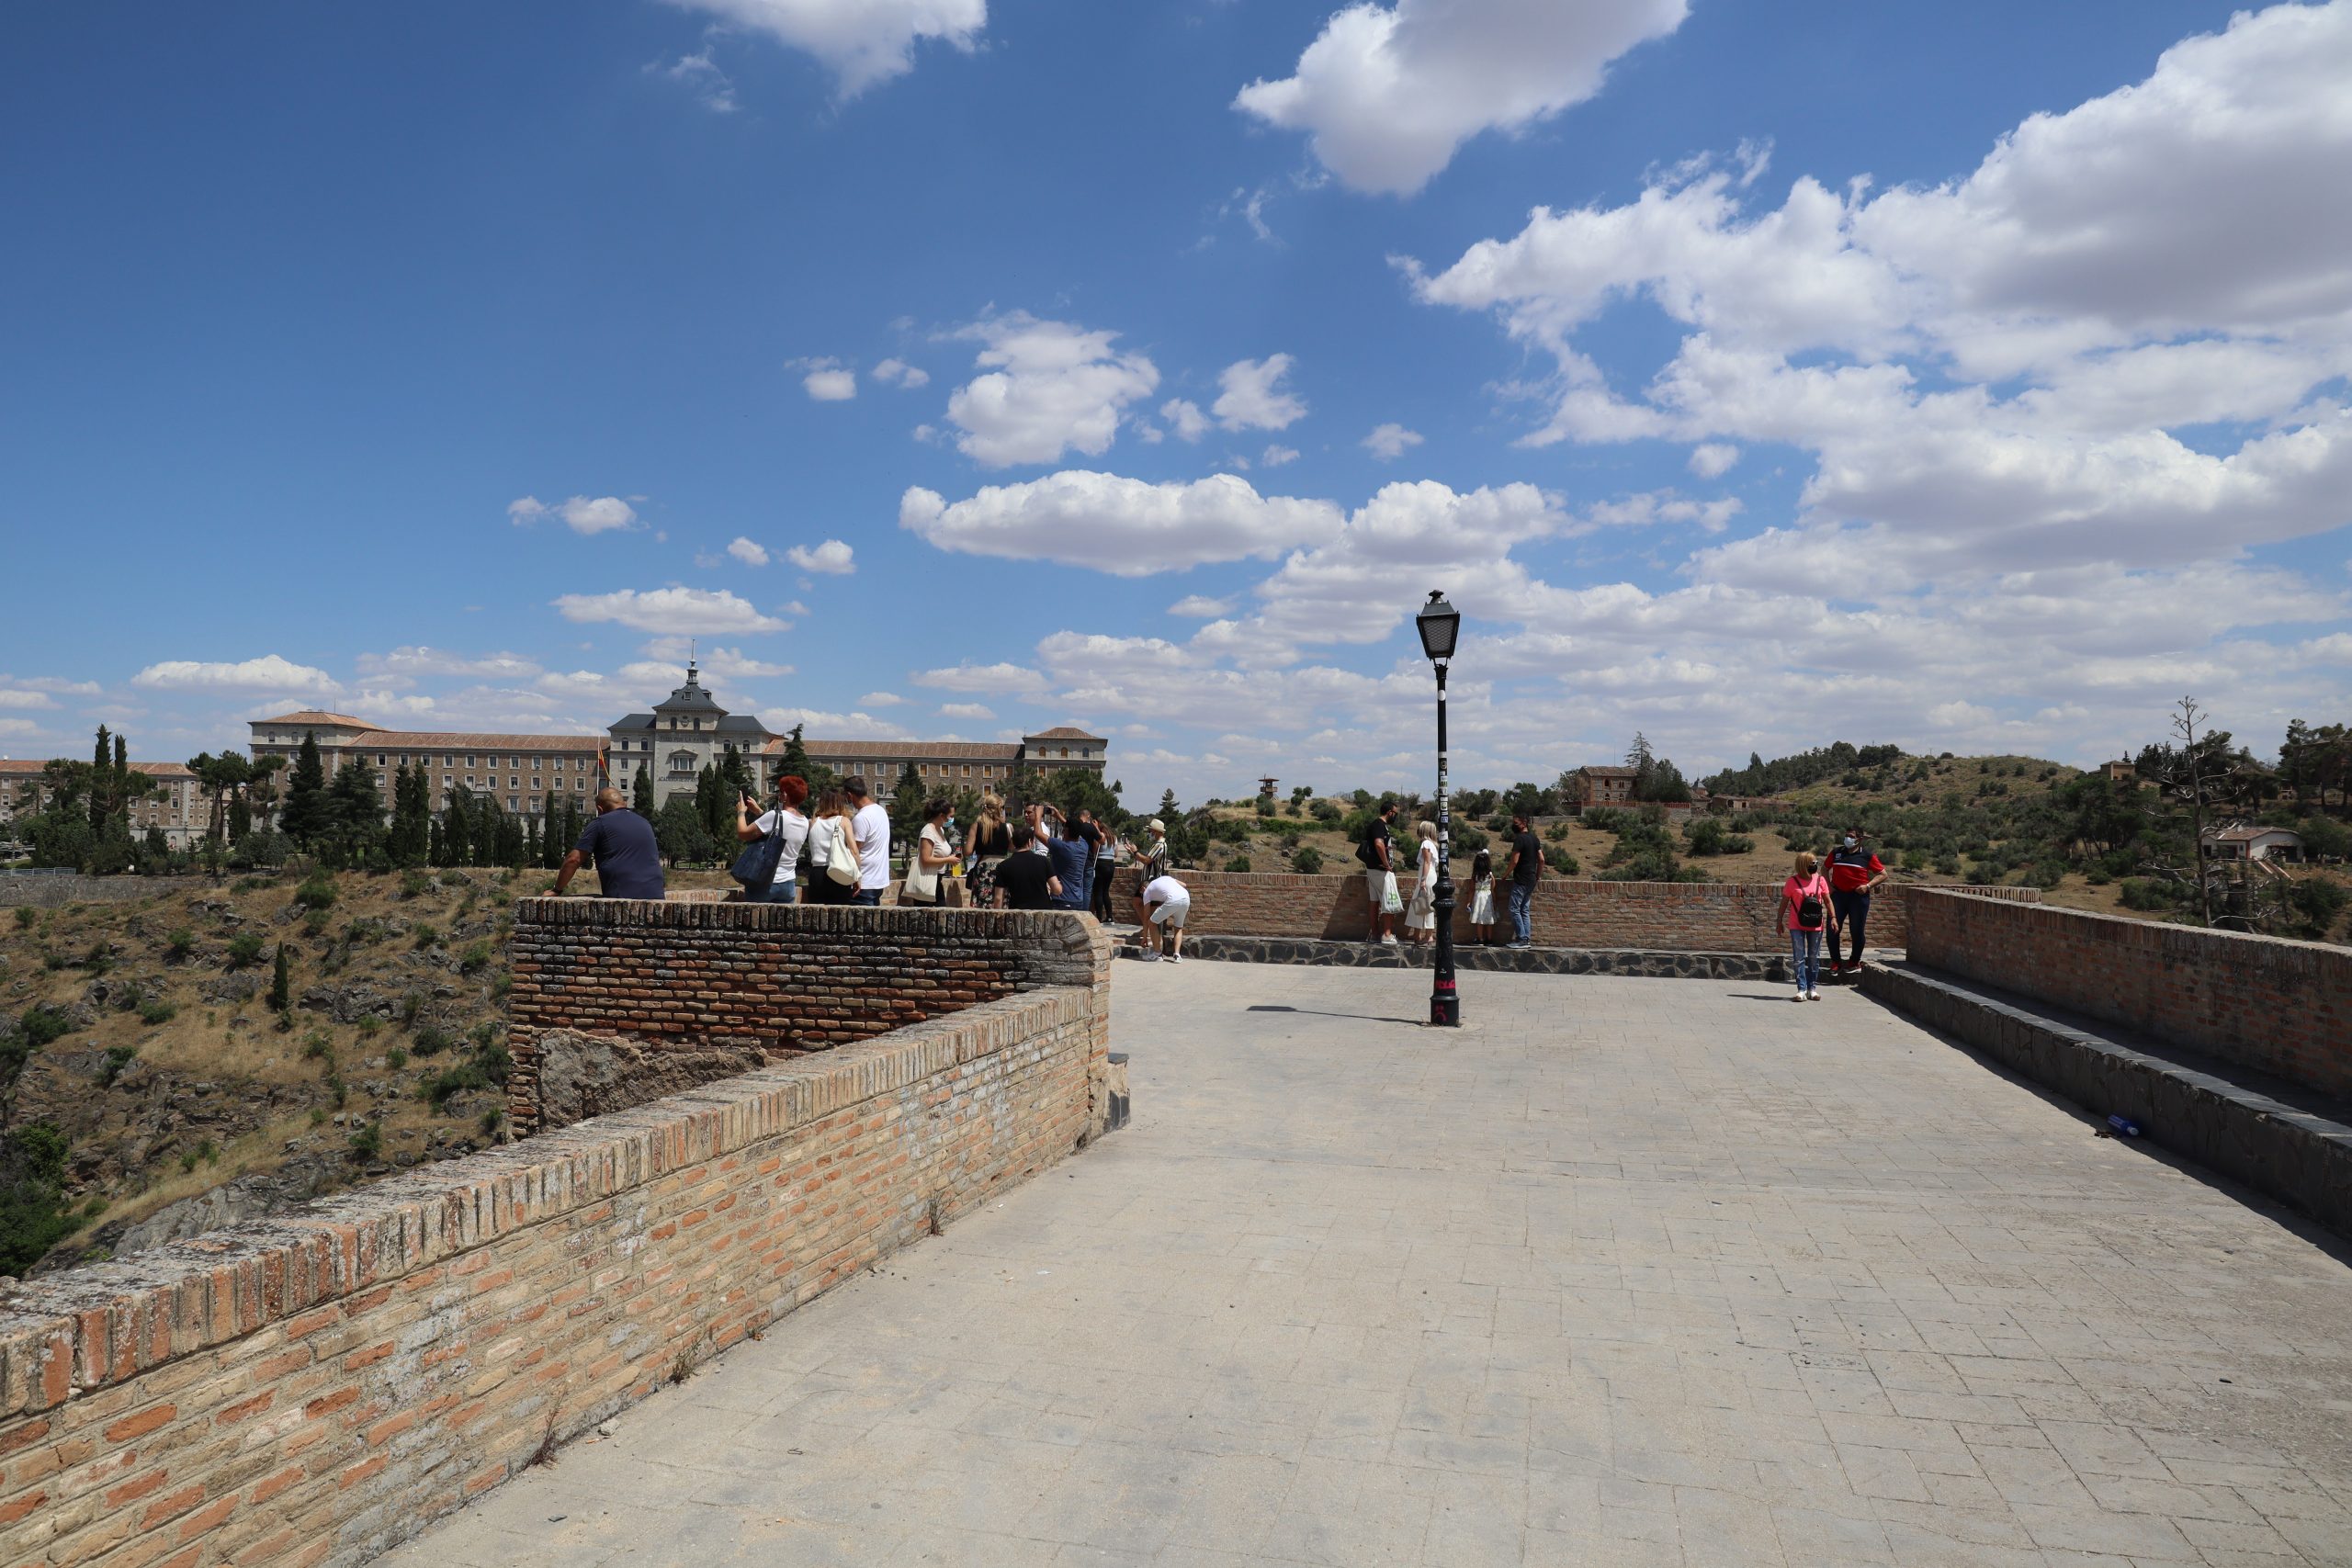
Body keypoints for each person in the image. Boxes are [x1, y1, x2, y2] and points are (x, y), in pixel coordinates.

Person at [548, 786, 664, 900]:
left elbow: (574, 860)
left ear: (600, 809)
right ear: (624, 803)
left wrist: (556, 890)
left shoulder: (600, 823)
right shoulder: (645, 823)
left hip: (622, 898)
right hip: (656, 897)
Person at [733, 773, 809, 904]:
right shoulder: (804, 822)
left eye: (780, 792)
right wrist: (759, 812)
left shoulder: (775, 815)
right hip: (788, 884)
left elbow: (743, 833)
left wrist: (741, 812)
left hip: (764, 882)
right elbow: (778, 828)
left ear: (785, 795)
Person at [1824, 826, 1887, 974]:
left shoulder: (1867, 856)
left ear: (1859, 839)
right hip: (1838, 896)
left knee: (1856, 930)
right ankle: (1835, 962)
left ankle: (1854, 962)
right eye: (1846, 836)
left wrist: (1868, 886)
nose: (1848, 839)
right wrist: (1829, 886)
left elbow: (1883, 874)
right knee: (1832, 929)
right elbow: (1824, 869)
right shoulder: (1837, 853)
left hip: (1858, 898)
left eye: (1851, 836)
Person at [1782, 850, 1834, 1001]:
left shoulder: (1820, 880)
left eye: (1816, 862)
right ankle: (1801, 989)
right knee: (1798, 957)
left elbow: (1828, 900)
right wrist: (1779, 922)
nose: (1816, 865)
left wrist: (1834, 918)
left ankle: (1812, 988)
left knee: (1813, 957)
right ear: (1804, 865)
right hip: (1796, 923)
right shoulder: (1792, 882)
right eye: (1812, 863)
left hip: (1816, 924)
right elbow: (1784, 903)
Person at [804, 788, 859, 905]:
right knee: (840, 916)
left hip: (816, 873)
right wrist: (857, 876)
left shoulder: (813, 822)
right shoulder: (844, 821)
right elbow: (854, 851)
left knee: (817, 916)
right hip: (838, 871)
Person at [1359, 800, 1400, 945]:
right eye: (1395, 813)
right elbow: (1378, 843)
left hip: (1373, 870)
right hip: (1381, 871)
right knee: (1390, 900)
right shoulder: (1379, 825)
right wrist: (1387, 864)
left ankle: (1375, 934)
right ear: (1390, 812)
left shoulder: (1377, 825)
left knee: (1374, 902)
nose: (1396, 816)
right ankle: (1387, 935)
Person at [845, 777, 890, 907]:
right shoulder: (881, 811)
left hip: (864, 882)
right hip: (878, 880)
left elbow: (854, 851)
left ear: (849, 795)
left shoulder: (861, 818)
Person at [903, 796, 957, 905]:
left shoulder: (940, 830)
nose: (951, 819)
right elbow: (925, 859)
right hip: (927, 881)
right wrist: (948, 859)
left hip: (937, 880)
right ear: (941, 816)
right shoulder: (928, 831)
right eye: (950, 816)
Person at [964, 793, 1012, 909]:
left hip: (983, 869)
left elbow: (968, 851)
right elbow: (1012, 848)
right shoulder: (1008, 827)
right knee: (1001, 902)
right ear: (999, 809)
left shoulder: (976, 826)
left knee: (982, 906)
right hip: (1003, 868)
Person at [993, 825, 1060, 909]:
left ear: (1013, 842)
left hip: (1016, 913)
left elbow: (998, 898)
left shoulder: (1003, 866)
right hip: (1043, 912)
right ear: (1030, 842)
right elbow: (1057, 890)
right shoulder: (1043, 861)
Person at [1503, 812, 1542, 948]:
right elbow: (1541, 859)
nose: (1514, 826)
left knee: (1514, 908)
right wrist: (1538, 875)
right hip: (1531, 878)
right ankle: (1527, 939)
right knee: (1524, 909)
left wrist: (1505, 875)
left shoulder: (1519, 839)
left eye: (1516, 823)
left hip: (1521, 879)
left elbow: (1514, 861)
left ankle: (1522, 939)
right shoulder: (1535, 839)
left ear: (1524, 823)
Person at [1042, 809, 1091, 913]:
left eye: (1064, 829)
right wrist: (1059, 816)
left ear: (1067, 831)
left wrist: (1038, 815)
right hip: (1078, 899)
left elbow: (1038, 833)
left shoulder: (1062, 847)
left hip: (1062, 900)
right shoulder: (1084, 845)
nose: (1063, 831)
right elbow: (1076, 829)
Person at [1139, 869, 1190, 963]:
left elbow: (1146, 916)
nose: (1142, 895)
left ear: (1143, 889)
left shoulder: (1147, 891)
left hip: (1173, 899)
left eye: (1141, 893)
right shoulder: (1166, 878)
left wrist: (1145, 937)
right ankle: (1177, 956)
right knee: (1178, 927)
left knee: (1151, 922)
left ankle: (1157, 954)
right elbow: (1184, 885)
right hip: (1186, 898)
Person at [1404, 820, 1439, 946]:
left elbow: (1427, 863)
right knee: (1424, 905)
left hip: (1427, 877)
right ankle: (1419, 934)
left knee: (1423, 905)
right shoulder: (1432, 844)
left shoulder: (1426, 844)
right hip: (1430, 876)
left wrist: (1423, 880)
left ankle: (1428, 936)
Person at [1131, 818, 1168, 928]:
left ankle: (1148, 929)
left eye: (1151, 830)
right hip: (1152, 880)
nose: (1150, 833)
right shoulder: (1161, 844)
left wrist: (1135, 852)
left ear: (1156, 831)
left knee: (1141, 903)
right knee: (1146, 905)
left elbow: (1147, 860)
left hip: (1151, 880)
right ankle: (1148, 929)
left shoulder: (1159, 844)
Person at [1090, 819, 1121, 921]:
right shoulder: (1114, 838)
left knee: (1098, 892)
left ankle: (1099, 917)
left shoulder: (1099, 837)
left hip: (1100, 863)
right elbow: (1116, 854)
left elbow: (1094, 851)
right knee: (1105, 892)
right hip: (1111, 865)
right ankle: (1109, 917)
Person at [1467, 848, 1496, 946]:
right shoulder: (1490, 875)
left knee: (1479, 919)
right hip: (1488, 897)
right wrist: (1495, 901)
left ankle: (1480, 939)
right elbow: (1493, 887)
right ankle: (1490, 939)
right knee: (1488, 920)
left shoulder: (1475, 876)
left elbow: (1471, 889)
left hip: (1478, 896)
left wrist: (1469, 902)